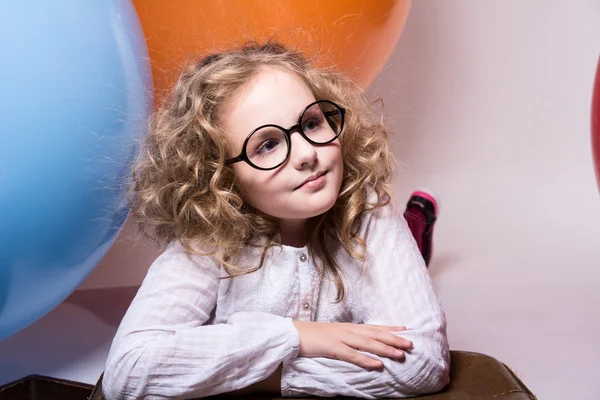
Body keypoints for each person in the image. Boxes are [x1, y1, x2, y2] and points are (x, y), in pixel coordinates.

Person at [102, 42, 450, 399]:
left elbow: (422, 363)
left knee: (396, 242)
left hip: (375, 224)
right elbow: (128, 372)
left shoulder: (368, 206)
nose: (307, 154)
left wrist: (257, 376)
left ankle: (413, 230)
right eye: (267, 145)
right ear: (221, 177)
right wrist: (292, 336)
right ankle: (415, 231)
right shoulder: (210, 242)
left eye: (312, 123)